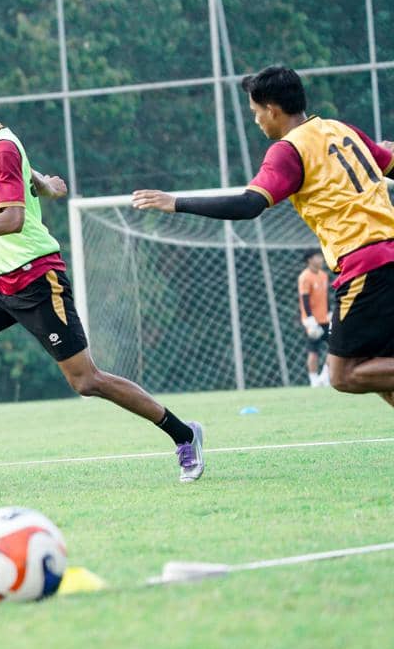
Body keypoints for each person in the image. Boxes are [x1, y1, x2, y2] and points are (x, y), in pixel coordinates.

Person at [0, 66, 204, 493]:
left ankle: (184, 434)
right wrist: (46, 185)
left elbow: (12, 219)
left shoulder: (0, 149)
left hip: (35, 279)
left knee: (86, 381)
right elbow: (24, 180)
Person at [133, 64, 394, 408]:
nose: (256, 121)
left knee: (343, 374)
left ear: (271, 109)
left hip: (367, 264)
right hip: (384, 255)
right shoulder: (342, 130)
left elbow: (248, 205)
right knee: (380, 372)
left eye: (256, 112)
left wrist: (175, 202)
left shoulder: (288, 150)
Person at [298, 250, 331, 387]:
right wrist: (310, 319)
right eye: (318, 257)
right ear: (309, 260)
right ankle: (314, 380)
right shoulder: (305, 277)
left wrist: (329, 311)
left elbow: (325, 296)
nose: (321, 259)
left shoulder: (323, 275)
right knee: (313, 350)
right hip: (312, 321)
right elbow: (304, 299)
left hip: (325, 318)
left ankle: (324, 376)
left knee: (335, 348)